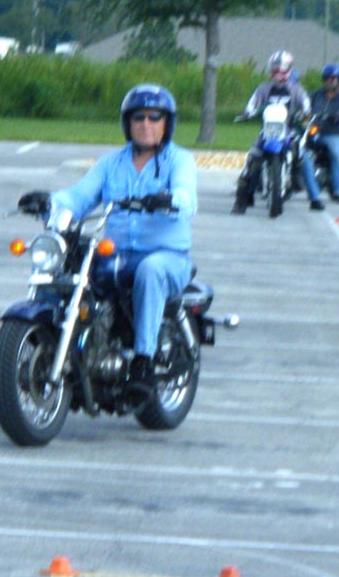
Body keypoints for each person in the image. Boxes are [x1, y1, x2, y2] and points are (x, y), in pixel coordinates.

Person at [50, 83, 197, 399]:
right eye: (138, 117)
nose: (146, 124)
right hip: (116, 255)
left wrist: (169, 199)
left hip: (167, 256)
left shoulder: (179, 160)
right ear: (127, 123)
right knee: (70, 268)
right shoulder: (110, 164)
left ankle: (144, 361)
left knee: (150, 270)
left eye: (154, 117)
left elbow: (187, 196)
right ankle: (67, 347)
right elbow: (79, 196)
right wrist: (50, 203)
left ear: (167, 123)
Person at [231, 50, 324, 214]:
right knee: (252, 161)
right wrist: (248, 112)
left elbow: (306, 104)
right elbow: (253, 103)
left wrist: (306, 114)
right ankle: (242, 200)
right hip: (267, 132)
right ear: (270, 69)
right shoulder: (263, 88)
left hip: (288, 131)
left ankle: (315, 198)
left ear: (289, 69)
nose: (279, 71)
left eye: (282, 68)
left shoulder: (296, 89)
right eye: (275, 67)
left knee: (303, 159)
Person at [306, 63, 339, 202]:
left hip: (334, 132)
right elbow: (305, 106)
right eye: (328, 78)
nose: (330, 81)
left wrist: (338, 114)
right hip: (314, 131)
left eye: (334, 78)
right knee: (300, 152)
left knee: (335, 153)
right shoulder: (316, 95)